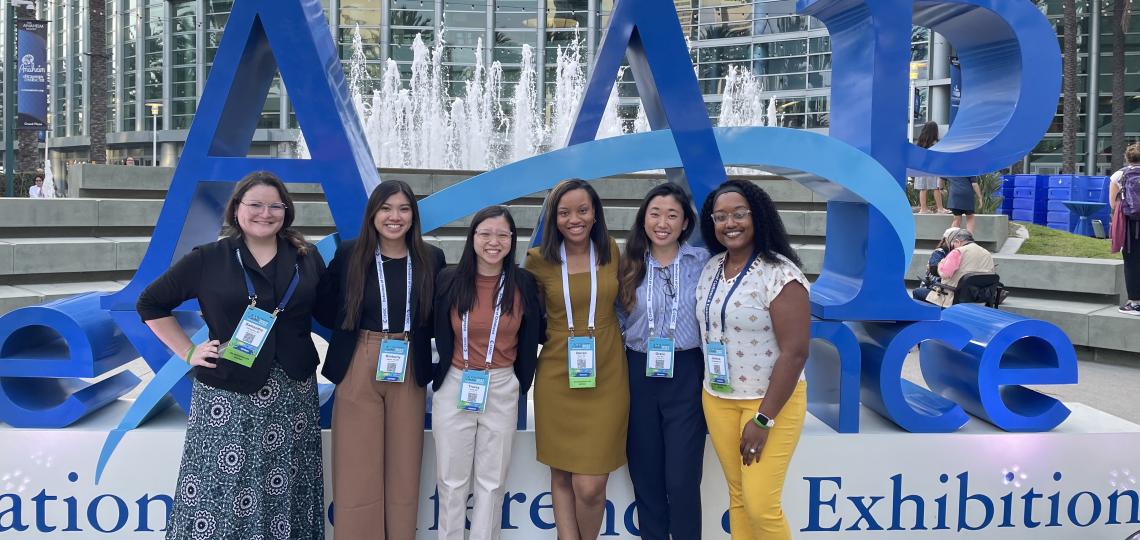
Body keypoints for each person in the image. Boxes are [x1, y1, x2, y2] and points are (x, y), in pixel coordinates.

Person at [136, 171, 326, 539]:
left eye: (275, 205)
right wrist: (188, 351)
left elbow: (332, 308)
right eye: (255, 204)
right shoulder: (209, 258)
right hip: (228, 396)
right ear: (236, 209)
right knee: (221, 488)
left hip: (292, 394)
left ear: (287, 211)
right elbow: (150, 303)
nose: (265, 213)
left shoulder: (307, 257)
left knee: (287, 485)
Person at [315, 180, 446, 539]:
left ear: (413, 216)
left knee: (405, 466)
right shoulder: (350, 253)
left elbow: (437, 316)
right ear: (373, 214)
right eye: (386, 208)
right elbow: (324, 306)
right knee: (357, 465)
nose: (395, 217)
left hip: (408, 361)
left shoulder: (431, 258)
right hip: (360, 356)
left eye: (404, 209)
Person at [695, 179, 810, 540]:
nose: (730, 223)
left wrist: (763, 419)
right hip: (718, 399)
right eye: (721, 216)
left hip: (769, 405)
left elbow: (795, 353)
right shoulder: (712, 267)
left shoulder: (781, 274)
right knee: (740, 498)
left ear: (758, 216)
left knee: (761, 504)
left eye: (739, 214)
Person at [524, 179, 628, 539]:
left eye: (582, 210)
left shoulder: (612, 251)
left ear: (595, 214)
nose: (574, 219)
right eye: (564, 212)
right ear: (553, 219)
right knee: (562, 474)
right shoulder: (537, 261)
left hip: (608, 375)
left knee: (590, 485)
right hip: (558, 374)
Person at [431, 205, 543, 540]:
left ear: (512, 240)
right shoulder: (449, 280)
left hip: (501, 383)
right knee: (451, 481)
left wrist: (522, 381)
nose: (493, 241)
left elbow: (534, 332)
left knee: (491, 483)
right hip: (456, 381)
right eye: (485, 233)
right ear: (473, 238)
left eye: (502, 234)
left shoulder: (523, 283)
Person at [616, 183, 709, 540]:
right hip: (638, 372)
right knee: (646, 474)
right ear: (644, 219)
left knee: (682, 478)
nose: (662, 222)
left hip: (686, 371)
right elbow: (617, 318)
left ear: (685, 223)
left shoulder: (702, 263)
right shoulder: (627, 265)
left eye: (672, 215)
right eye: (655, 214)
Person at [921, 229, 995, 308]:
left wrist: (941, 262)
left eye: (952, 245)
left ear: (957, 241)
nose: (952, 249)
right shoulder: (987, 253)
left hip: (954, 298)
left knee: (918, 292)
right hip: (979, 299)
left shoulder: (957, 251)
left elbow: (944, 274)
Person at [1109, 142, 1140, 315]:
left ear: (1128, 158)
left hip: (1130, 225)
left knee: (1132, 262)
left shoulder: (1119, 175)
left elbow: (1113, 204)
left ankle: (1135, 303)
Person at [912, 227, 960, 302]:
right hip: (934, 288)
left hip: (949, 289)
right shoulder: (940, 252)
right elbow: (933, 269)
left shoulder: (961, 252)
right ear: (947, 240)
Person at [913, 122, 947, 214]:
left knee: (923, 189)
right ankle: (940, 208)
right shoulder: (935, 143)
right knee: (936, 187)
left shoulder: (920, 142)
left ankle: (923, 209)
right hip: (931, 169)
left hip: (920, 169)